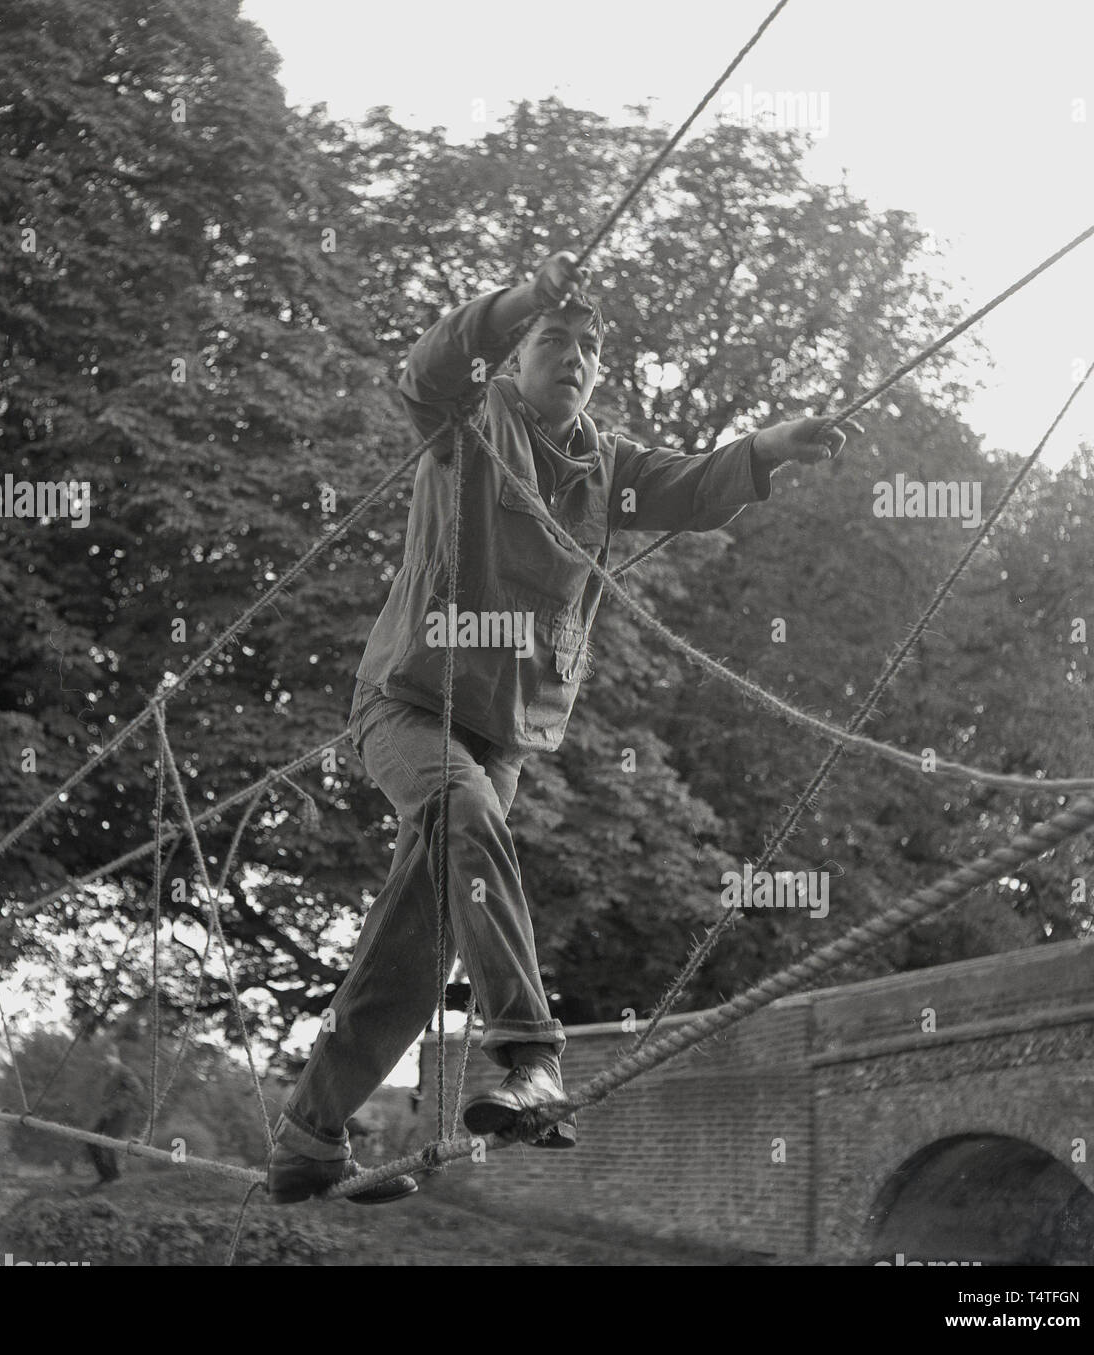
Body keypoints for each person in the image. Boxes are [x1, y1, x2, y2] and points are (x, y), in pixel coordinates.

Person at [268, 250, 859, 1205]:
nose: (575, 358)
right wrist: (520, 300)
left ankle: (309, 1134)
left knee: (420, 946)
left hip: (500, 739)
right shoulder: (466, 421)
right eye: (555, 341)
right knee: (460, 813)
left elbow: (695, 488)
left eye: (590, 348)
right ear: (514, 358)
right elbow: (425, 371)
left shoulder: (609, 467)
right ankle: (532, 1056)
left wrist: (772, 445)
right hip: (406, 704)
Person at [86, 1046, 147, 1187]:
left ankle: (113, 1176)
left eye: (106, 1057)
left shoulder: (123, 1071)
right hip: (108, 1112)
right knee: (90, 1140)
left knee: (108, 1142)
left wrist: (120, 1102)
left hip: (121, 1112)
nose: (104, 1061)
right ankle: (105, 1176)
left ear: (113, 1056)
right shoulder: (109, 1072)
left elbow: (138, 1089)